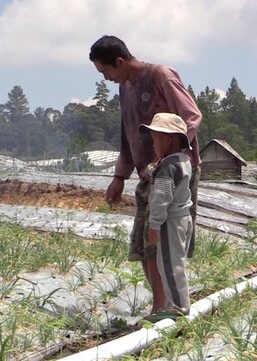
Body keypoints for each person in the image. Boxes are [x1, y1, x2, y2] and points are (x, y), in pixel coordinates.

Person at [89, 35, 202, 317]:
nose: (106, 79)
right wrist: (119, 177)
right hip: (147, 175)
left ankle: (168, 308)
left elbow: (192, 117)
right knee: (144, 242)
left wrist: (168, 158)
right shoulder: (125, 89)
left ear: (120, 61)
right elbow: (128, 134)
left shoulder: (160, 76)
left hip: (171, 174)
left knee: (163, 244)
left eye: (106, 72)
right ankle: (160, 306)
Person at [140, 113, 193, 321]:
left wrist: (154, 224)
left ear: (168, 140)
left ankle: (179, 307)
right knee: (175, 261)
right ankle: (175, 303)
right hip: (183, 218)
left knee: (169, 264)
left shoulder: (167, 168)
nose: (153, 145)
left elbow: (161, 198)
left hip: (170, 221)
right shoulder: (182, 162)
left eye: (155, 140)